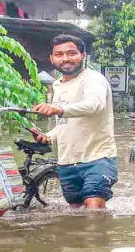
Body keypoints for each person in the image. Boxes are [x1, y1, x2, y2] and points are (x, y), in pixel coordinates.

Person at [32, 34, 118, 210]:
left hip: (97, 157)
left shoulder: (93, 79)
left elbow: (95, 105)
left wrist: (59, 110)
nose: (65, 58)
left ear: (83, 55)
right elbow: (64, 123)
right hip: (67, 162)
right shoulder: (57, 86)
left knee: (93, 212)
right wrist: (48, 136)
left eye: (71, 53)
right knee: (75, 215)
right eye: (59, 54)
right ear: (52, 58)